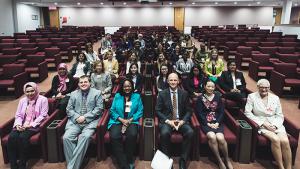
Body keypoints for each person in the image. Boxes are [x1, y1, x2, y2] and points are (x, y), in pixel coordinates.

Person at [244, 79, 292, 169]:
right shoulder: (252, 97)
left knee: (285, 141)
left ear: (269, 88)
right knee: (275, 139)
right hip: (261, 124)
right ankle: (281, 167)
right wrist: (263, 124)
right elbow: (247, 113)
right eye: (261, 87)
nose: (264, 90)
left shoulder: (275, 98)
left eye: (266, 88)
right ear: (258, 87)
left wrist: (275, 125)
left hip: (275, 123)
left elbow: (280, 115)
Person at [63, 75, 103, 169]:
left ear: (90, 83)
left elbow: (99, 109)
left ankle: (71, 167)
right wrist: (77, 117)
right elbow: (69, 109)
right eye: (81, 82)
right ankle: (75, 165)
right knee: (66, 137)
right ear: (78, 84)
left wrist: (85, 117)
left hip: (90, 121)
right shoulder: (73, 94)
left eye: (85, 82)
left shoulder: (97, 93)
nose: (83, 84)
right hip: (75, 121)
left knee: (85, 136)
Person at [155, 73, 194, 169]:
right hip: (168, 121)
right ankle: (167, 160)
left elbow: (189, 111)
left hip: (180, 120)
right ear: (168, 81)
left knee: (190, 132)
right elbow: (158, 110)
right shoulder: (162, 94)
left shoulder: (184, 94)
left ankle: (183, 160)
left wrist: (182, 121)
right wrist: (168, 121)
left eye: (175, 80)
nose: (173, 82)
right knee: (164, 133)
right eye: (171, 80)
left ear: (178, 81)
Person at [8, 82, 49, 169]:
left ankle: (23, 163)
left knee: (22, 137)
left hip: (36, 124)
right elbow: (18, 115)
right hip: (23, 124)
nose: (30, 93)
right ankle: (13, 165)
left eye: (32, 91)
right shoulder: (22, 101)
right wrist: (18, 125)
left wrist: (30, 125)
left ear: (36, 90)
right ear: (24, 92)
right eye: (27, 92)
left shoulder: (43, 99)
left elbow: (43, 115)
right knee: (11, 137)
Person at [195, 80, 233, 169]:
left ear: (214, 87)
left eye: (212, 87)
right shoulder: (200, 98)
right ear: (205, 87)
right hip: (205, 122)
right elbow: (199, 113)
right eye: (208, 86)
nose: (210, 88)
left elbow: (221, 112)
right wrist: (207, 123)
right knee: (212, 136)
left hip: (217, 122)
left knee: (220, 137)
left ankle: (227, 159)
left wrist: (217, 123)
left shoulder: (218, 97)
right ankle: (219, 160)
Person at [108, 78, 143, 169]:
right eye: (125, 86)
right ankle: (124, 165)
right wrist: (122, 120)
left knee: (132, 134)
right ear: (122, 87)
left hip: (131, 120)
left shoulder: (137, 96)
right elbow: (112, 111)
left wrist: (130, 120)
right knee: (114, 136)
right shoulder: (117, 96)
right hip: (118, 120)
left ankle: (129, 159)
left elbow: (140, 111)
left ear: (132, 86)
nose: (127, 88)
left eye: (129, 86)